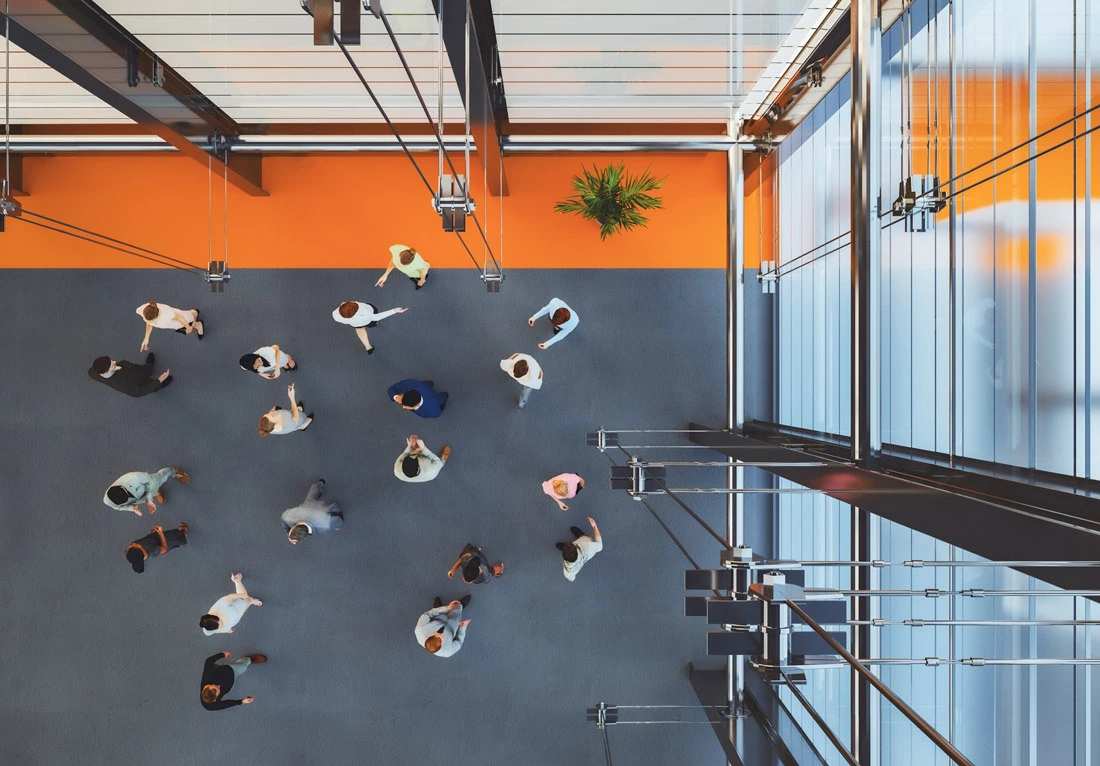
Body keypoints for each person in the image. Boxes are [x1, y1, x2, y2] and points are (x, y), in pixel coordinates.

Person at [104, 467, 190, 516]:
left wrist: (149, 500)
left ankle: (173, 471)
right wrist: (132, 508)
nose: (128, 500)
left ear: (122, 487)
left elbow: (150, 481)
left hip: (147, 483)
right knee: (151, 492)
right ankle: (156, 491)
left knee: (160, 478)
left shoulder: (134, 477)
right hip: (139, 497)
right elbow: (118, 507)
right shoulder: (108, 501)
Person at [331, 301, 408, 354]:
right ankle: (375, 325)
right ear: (356, 310)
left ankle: (368, 347)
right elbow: (377, 317)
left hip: (355, 323)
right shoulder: (365, 312)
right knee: (375, 322)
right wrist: (394, 310)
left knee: (359, 329)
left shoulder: (335, 314)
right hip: (368, 320)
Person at [281, 479, 343, 544]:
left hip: (319, 511)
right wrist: (290, 535)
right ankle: (320, 484)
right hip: (306, 508)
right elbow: (283, 519)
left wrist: (338, 526)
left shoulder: (324, 524)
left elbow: (337, 521)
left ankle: (335, 506)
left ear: (305, 538)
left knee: (329, 509)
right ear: (293, 527)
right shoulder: (287, 516)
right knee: (311, 497)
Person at [200, 651, 266, 711]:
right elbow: (225, 704)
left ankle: (248, 659)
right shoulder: (210, 706)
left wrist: (222, 654)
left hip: (229, 670)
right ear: (215, 700)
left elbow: (209, 661)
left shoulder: (207, 676)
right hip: (230, 682)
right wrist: (241, 701)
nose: (219, 686)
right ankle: (216, 668)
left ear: (207, 686)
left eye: (215, 685)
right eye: (218, 690)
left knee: (243, 667)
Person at [88, 353, 171, 397]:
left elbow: (91, 372)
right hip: (138, 380)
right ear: (106, 372)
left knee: (143, 369)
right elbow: (140, 392)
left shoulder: (92, 371)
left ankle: (148, 368)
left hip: (134, 370)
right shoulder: (123, 384)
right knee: (150, 384)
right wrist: (159, 380)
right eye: (112, 364)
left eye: (111, 360)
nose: (114, 362)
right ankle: (158, 386)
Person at [136, 301, 203, 351]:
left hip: (178, 322)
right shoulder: (142, 310)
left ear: (157, 317)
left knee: (190, 321)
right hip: (175, 317)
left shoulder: (167, 314)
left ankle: (199, 325)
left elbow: (179, 317)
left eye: (150, 321)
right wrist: (146, 338)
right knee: (189, 314)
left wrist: (188, 327)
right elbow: (149, 323)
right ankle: (194, 313)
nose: (145, 321)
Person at [557, 517, 602, 582]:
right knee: (588, 538)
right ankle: (581, 536)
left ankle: (567, 546)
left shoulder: (568, 572)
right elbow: (600, 546)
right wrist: (594, 526)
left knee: (568, 546)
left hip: (578, 549)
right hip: (584, 546)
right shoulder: (588, 546)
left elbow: (571, 578)